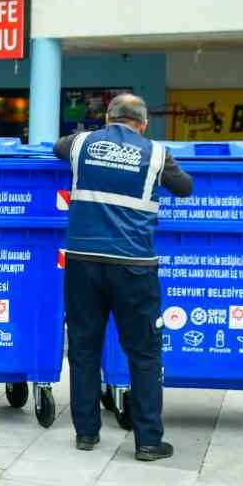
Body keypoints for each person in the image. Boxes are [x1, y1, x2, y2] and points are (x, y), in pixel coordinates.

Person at [53, 94, 193, 461]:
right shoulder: (157, 154)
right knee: (144, 353)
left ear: (108, 118)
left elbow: (57, 148)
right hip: (134, 266)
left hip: (83, 263)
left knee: (84, 348)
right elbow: (184, 187)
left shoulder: (81, 143)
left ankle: (86, 433)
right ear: (143, 123)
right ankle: (148, 441)